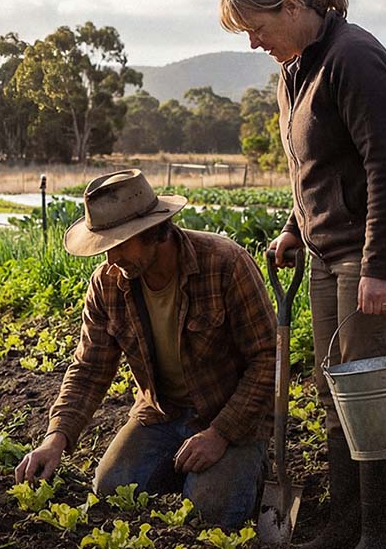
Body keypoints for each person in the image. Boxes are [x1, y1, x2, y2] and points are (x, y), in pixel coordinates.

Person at [220, 0, 386, 549]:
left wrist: (378, 269)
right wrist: (294, 225)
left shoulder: (353, 58)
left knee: (366, 386)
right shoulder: (294, 69)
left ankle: (383, 534)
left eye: (257, 27)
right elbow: (312, 165)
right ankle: (343, 527)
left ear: (293, 7)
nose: (254, 42)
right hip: (326, 248)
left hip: (376, 247)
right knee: (333, 385)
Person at [14, 169, 276, 529]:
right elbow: (89, 368)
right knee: (110, 491)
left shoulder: (224, 263)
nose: (110, 260)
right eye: (104, 248)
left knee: (209, 516)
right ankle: (189, 471)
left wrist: (220, 435)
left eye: (119, 245)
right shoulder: (107, 283)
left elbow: (267, 359)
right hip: (161, 414)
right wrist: (55, 438)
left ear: (154, 232)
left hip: (227, 416)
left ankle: (243, 465)